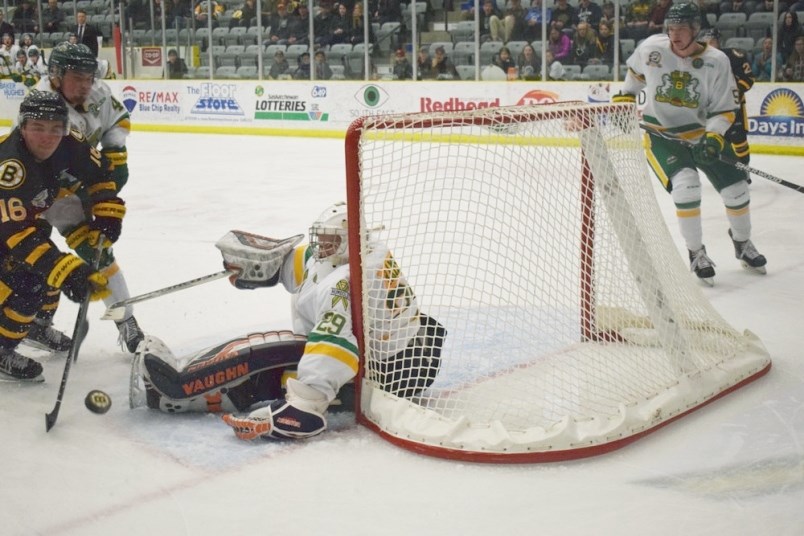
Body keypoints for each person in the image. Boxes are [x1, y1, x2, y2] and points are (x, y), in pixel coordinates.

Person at [131, 203, 445, 442]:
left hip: (389, 375)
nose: (322, 246)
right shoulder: (365, 249)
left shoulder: (343, 285)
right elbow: (308, 262)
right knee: (282, 355)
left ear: (348, 241)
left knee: (271, 357)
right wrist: (265, 267)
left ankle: (174, 392)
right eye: (321, 239)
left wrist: (305, 405)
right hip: (413, 351)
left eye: (329, 241)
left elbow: (334, 344)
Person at [613, 2, 766, 284]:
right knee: (686, 187)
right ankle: (696, 252)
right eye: (670, 28)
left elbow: (724, 110)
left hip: (701, 134)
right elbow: (635, 75)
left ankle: (742, 243)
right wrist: (625, 97)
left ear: (696, 30)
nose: (674, 35)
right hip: (663, 136)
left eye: (681, 29)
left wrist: (714, 136)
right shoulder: (652, 48)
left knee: (737, 189)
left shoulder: (717, 61)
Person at [0, 90, 121, 381]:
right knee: (28, 286)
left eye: (56, 128)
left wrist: (106, 212)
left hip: (25, 221)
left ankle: (37, 326)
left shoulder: (70, 142)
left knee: (46, 271)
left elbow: (100, 172)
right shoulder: (10, 166)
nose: (48, 137)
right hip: (6, 231)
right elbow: (15, 235)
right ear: (22, 125)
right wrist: (69, 272)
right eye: (38, 128)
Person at [34, 42, 145, 353]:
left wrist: (115, 152)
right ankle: (30, 326)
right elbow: (60, 166)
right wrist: (99, 195)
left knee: (100, 253)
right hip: (44, 192)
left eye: (88, 77)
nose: (85, 85)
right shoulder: (44, 108)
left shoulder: (96, 91)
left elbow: (116, 120)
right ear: (55, 76)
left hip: (80, 179)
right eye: (77, 78)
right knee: (37, 260)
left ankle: (127, 323)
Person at [699, 28, 754, 164]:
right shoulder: (698, 61)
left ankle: (744, 171)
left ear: (719, 42)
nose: (709, 45)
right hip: (712, 108)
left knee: (739, 140)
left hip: (734, 106)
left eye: (713, 41)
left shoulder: (733, 56)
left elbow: (748, 78)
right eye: (706, 42)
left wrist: (733, 93)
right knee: (718, 139)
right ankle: (730, 175)